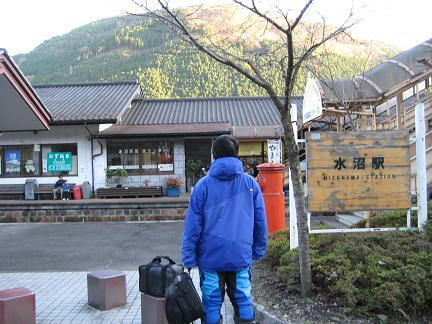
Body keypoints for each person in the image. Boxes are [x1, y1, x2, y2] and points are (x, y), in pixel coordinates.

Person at [182, 134, 268, 324]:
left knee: (211, 304)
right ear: (237, 154)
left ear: (214, 155)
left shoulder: (202, 186)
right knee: (244, 302)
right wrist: (259, 249)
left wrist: (189, 257)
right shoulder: (250, 184)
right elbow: (260, 221)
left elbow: (192, 226)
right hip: (240, 255)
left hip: (210, 257)